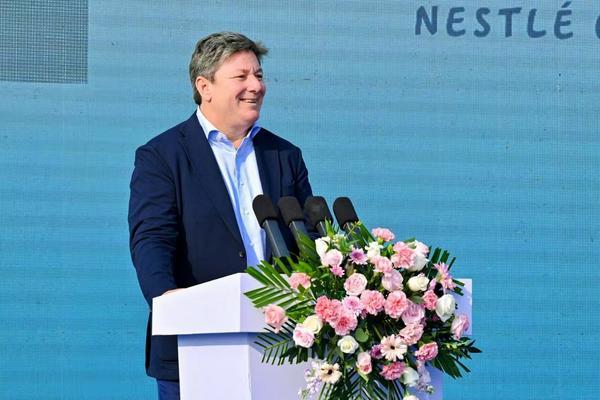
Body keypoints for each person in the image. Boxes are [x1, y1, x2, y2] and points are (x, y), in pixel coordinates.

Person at [128, 32, 313, 400]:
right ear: (205, 87)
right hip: (196, 345)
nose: (256, 86)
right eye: (241, 76)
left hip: (283, 346)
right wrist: (170, 302)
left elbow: (309, 240)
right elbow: (152, 240)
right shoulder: (163, 155)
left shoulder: (284, 155)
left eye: (259, 75)